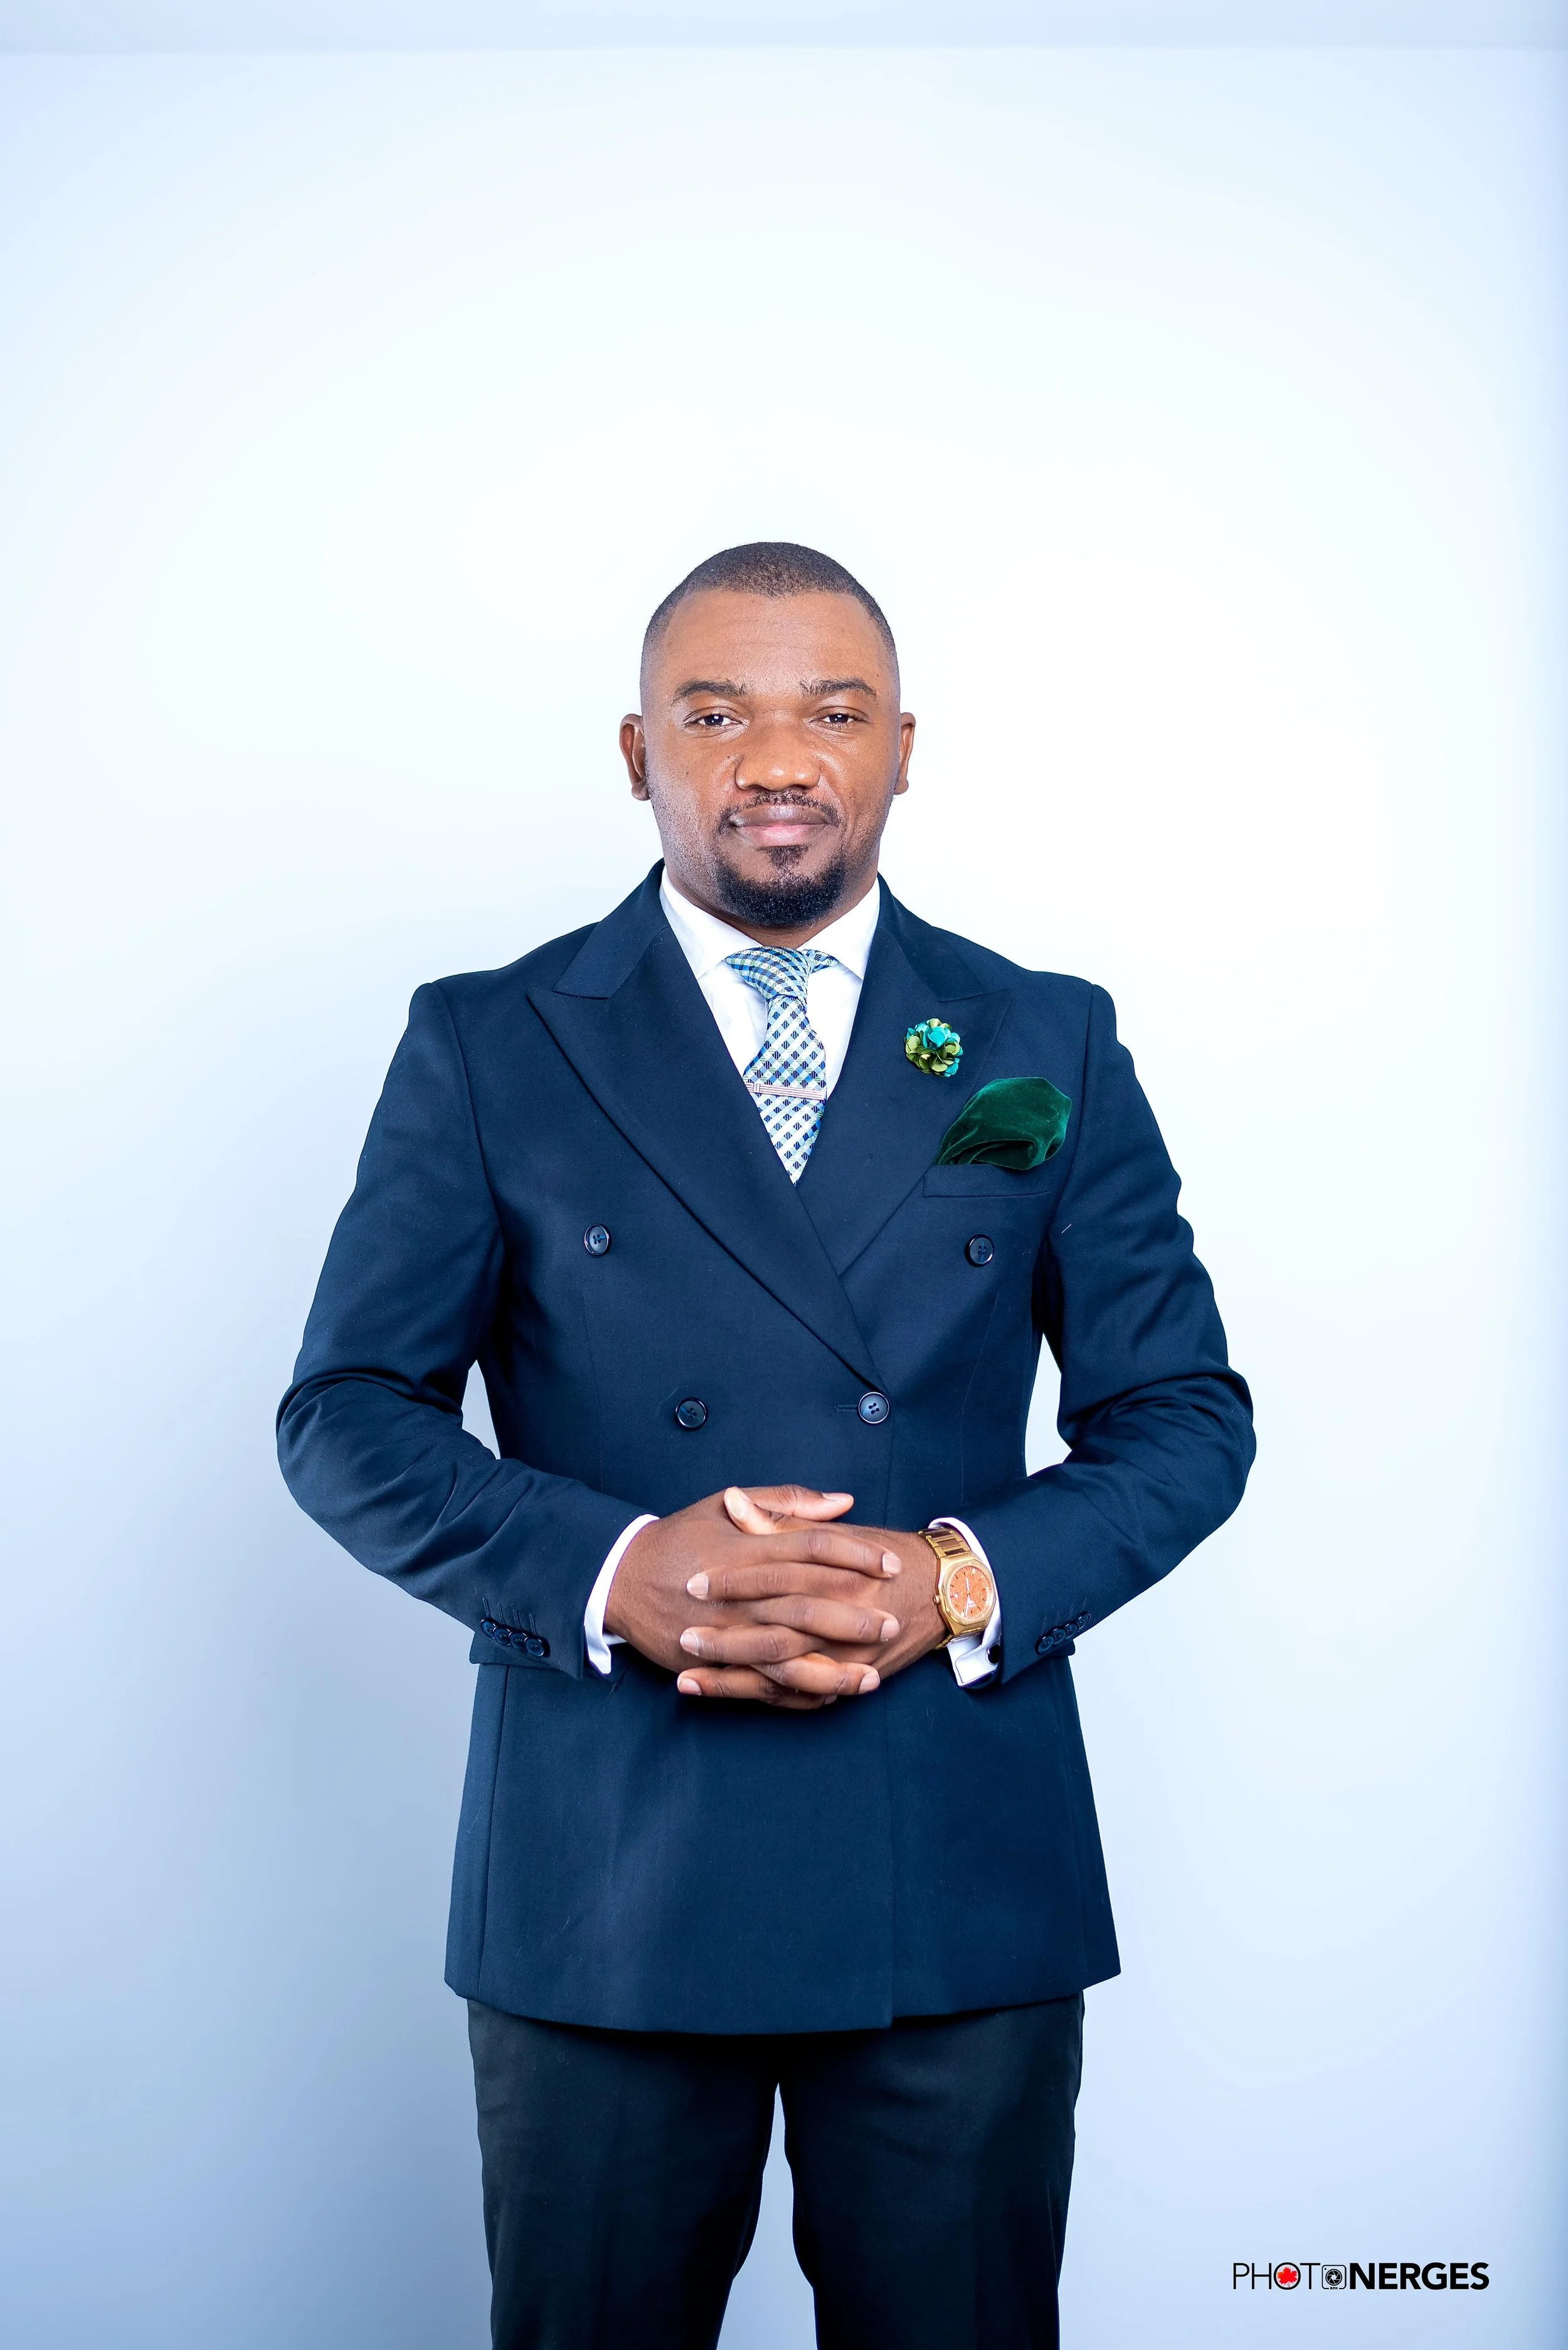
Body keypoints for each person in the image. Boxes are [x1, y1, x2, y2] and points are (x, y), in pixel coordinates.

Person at [277, 541, 1254, 2349]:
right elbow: (343, 1417)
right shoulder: (494, 1043)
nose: (775, 758)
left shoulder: (1041, 1040)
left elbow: (1181, 1415)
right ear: (636, 752)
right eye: (714, 711)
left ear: (903, 750)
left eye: (831, 710)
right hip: (608, 1882)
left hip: (957, 1871)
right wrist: (612, 1571)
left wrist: (956, 1573)